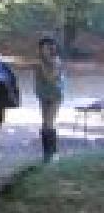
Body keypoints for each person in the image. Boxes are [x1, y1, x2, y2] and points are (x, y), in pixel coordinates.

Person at [35, 34, 65, 163]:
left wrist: (41, 66)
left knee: (49, 122)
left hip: (55, 95)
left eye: (46, 47)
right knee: (44, 123)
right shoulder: (41, 62)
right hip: (44, 94)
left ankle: (54, 153)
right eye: (42, 47)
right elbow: (38, 80)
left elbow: (50, 78)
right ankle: (46, 154)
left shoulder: (56, 61)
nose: (43, 50)